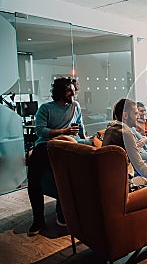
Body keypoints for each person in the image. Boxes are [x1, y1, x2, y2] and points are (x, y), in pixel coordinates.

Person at [27, 77, 88, 236]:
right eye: (69, 89)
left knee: (68, 174)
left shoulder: (75, 106)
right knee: (33, 178)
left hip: (67, 144)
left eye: (74, 88)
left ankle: (62, 214)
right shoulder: (45, 108)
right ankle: (38, 219)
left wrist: (86, 140)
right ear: (60, 91)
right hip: (46, 145)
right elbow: (40, 131)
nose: (73, 92)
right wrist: (64, 131)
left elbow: (80, 127)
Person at [102, 98, 147, 185]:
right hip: (123, 186)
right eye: (136, 113)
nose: (138, 116)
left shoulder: (111, 129)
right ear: (125, 115)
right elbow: (140, 167)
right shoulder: (125, 133)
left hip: (112, 181)